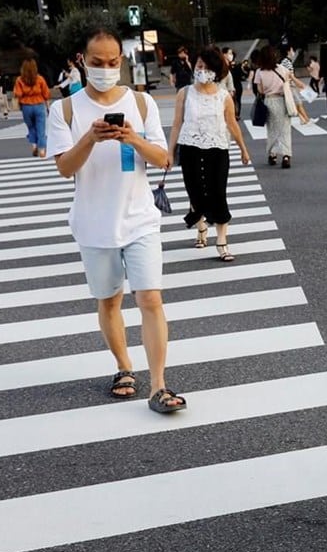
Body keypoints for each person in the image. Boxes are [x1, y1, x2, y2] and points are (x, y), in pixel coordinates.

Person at [47, 28, 184, 413]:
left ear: (120, 62)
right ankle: (124, 367)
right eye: (97, 63)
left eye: (112, 63)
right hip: (93, 222)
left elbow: (163, 159)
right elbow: (64, 168)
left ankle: (159, 384)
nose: (106, 69)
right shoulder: (66, 110)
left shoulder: (141, 103)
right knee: (109, 302)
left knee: (151, 298)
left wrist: (132, 140)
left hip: (140, 217)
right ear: (82, 61)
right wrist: (90, 138)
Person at [168, 46, 251, 262]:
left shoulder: (224, 97)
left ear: (216, 71)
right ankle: (201, 226)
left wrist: (243, 148)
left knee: (218, 193)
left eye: (206, 67)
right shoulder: (184, 93)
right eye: (199, 66)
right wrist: (170, 152)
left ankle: (222, 241)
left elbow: (232, 124)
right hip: (190, 149)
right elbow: (177, 124)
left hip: (218, 149)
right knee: (195, 193)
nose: (201, 70)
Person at [252, 45, 294, 168]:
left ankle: (272, 154)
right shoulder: (282, 69)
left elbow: (260, 90)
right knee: (285, 129)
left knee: (271, 130)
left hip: (269, 101)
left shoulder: (259, 72)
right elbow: (288, 83)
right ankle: (286, 156)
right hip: (282, 100)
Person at [13, 58, 50, 157]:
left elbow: (18, 94)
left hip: (26, 107)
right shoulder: (40, 79)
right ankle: (42, 150)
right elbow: (46, 94)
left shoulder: (20, 80)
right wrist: (48, 107)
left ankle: (34, 146)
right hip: (39, 105)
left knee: (31, 127)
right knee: (41, 128)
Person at [278, 45, 313, 125]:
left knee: (296, 103)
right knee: (298, 103)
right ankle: (306, 120)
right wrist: (300, 84)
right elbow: (291, 76)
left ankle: (303, 119)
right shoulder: (287, 62)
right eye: (292, 50)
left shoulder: (285, 61)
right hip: (290, 86)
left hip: (289, 85)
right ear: (288, 51)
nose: (293, 52)